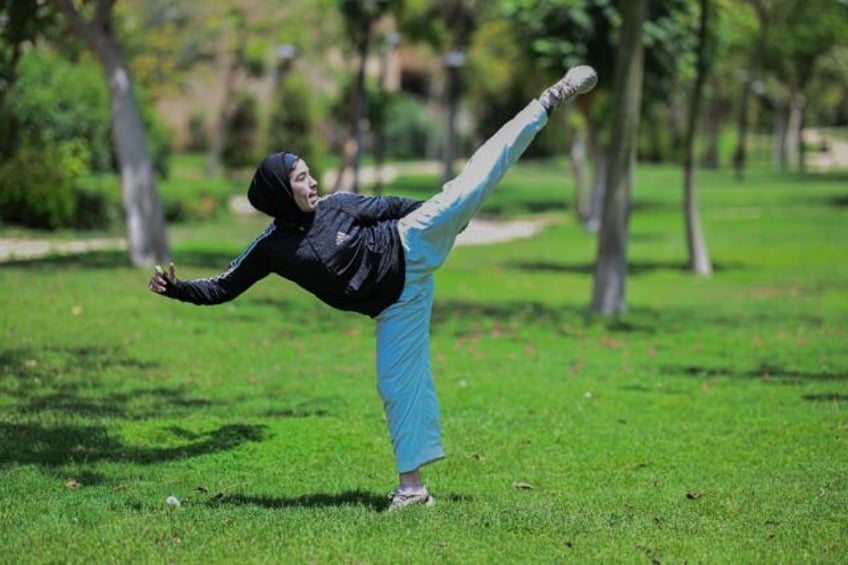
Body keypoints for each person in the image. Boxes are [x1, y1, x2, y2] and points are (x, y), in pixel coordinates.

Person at [148, 65, 598, 511]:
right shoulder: (271, 248)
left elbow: (394, 206)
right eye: (302, 178)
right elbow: (225, 286)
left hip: (410, 241)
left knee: (467, 187)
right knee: (397, 386)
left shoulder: (338, 205)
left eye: (309, 173)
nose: (314, 182)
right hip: (396, 305)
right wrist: (177, 288)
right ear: (279, 192)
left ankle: (548, 100)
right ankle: (412, 490)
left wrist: (444, 219)